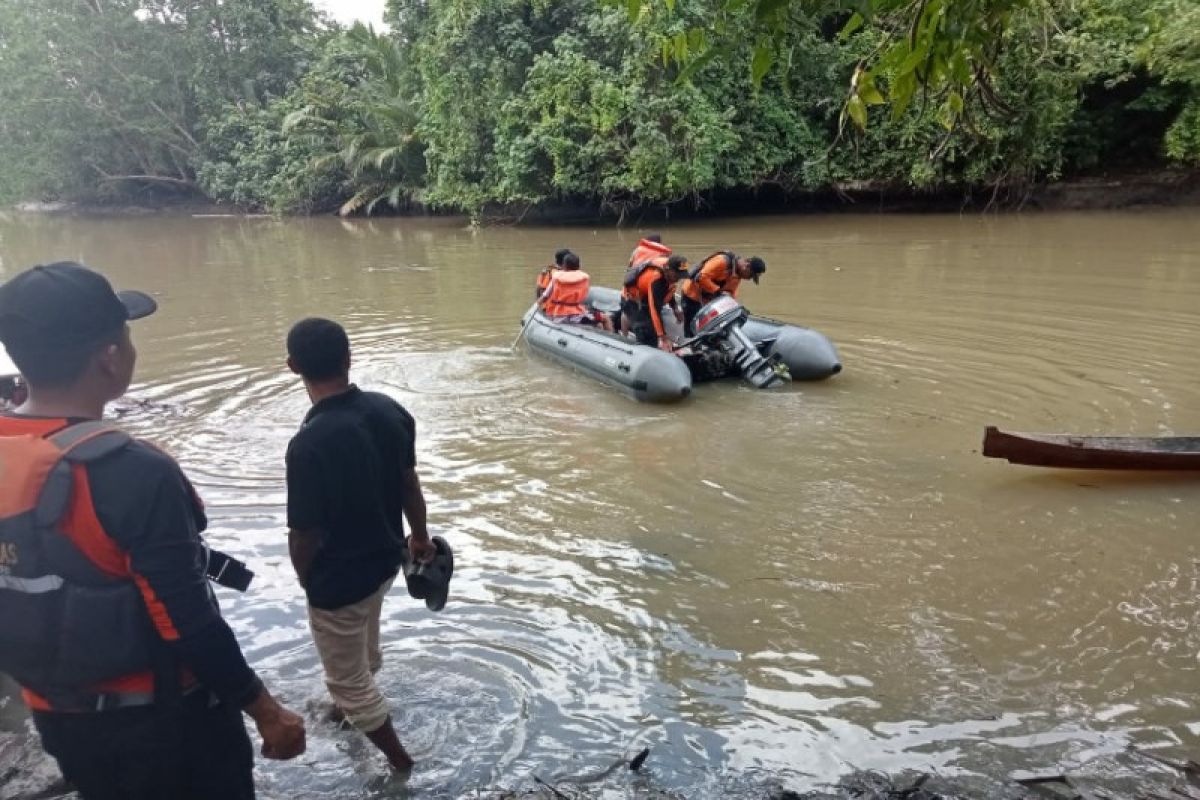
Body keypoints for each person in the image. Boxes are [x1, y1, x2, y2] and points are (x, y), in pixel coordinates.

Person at [0, 262, 306, 800]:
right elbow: (186, 618)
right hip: (167, 727)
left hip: (59, 718)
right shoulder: (131, 471)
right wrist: (266, 709)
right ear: (110, 356)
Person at [284, 318, 437, 773]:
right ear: (349, 358)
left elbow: (303, 533)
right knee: (362, 651)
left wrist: (307, 580)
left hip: (339, 578)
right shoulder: (389, 411)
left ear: (293, 367)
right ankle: (346, 712)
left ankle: (401, 764)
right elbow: (410, 484)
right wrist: (420, 536)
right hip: (386, 562)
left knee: (347, 679)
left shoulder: (308, 444)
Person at [680, 252, 766, 335]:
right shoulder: (722, 261)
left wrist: (734, 307)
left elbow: (731, 293)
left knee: (712, 328)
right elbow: (701, 277)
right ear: (746, 266)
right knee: (692, 328)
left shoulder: (737, 274)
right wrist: (718, 292)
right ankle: (689, 342)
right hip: (692, 295)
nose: (749, 279)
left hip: (707, 301)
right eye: (751, 276)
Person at [622, 255, 689, 351]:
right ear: (669, 270)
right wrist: (662, 337)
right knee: (647, 334)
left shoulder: (669, 276)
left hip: (647, 295)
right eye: (677, 275)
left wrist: (675, 308)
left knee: (655, 328)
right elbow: (654, 309)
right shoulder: (657, 280)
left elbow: (668, 291)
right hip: (633, 300)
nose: (678, 279)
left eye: (681, 276)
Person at [538, 253, 613, 331]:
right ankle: (612, 339)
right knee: (605, 318)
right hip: (576, 315)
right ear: (578, 266)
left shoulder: (556, 278)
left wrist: (537, 306)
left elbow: (545, 296)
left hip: (559, 315)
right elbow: (583, 297)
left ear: (564, 266)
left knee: (597, 322)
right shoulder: (583, 279)